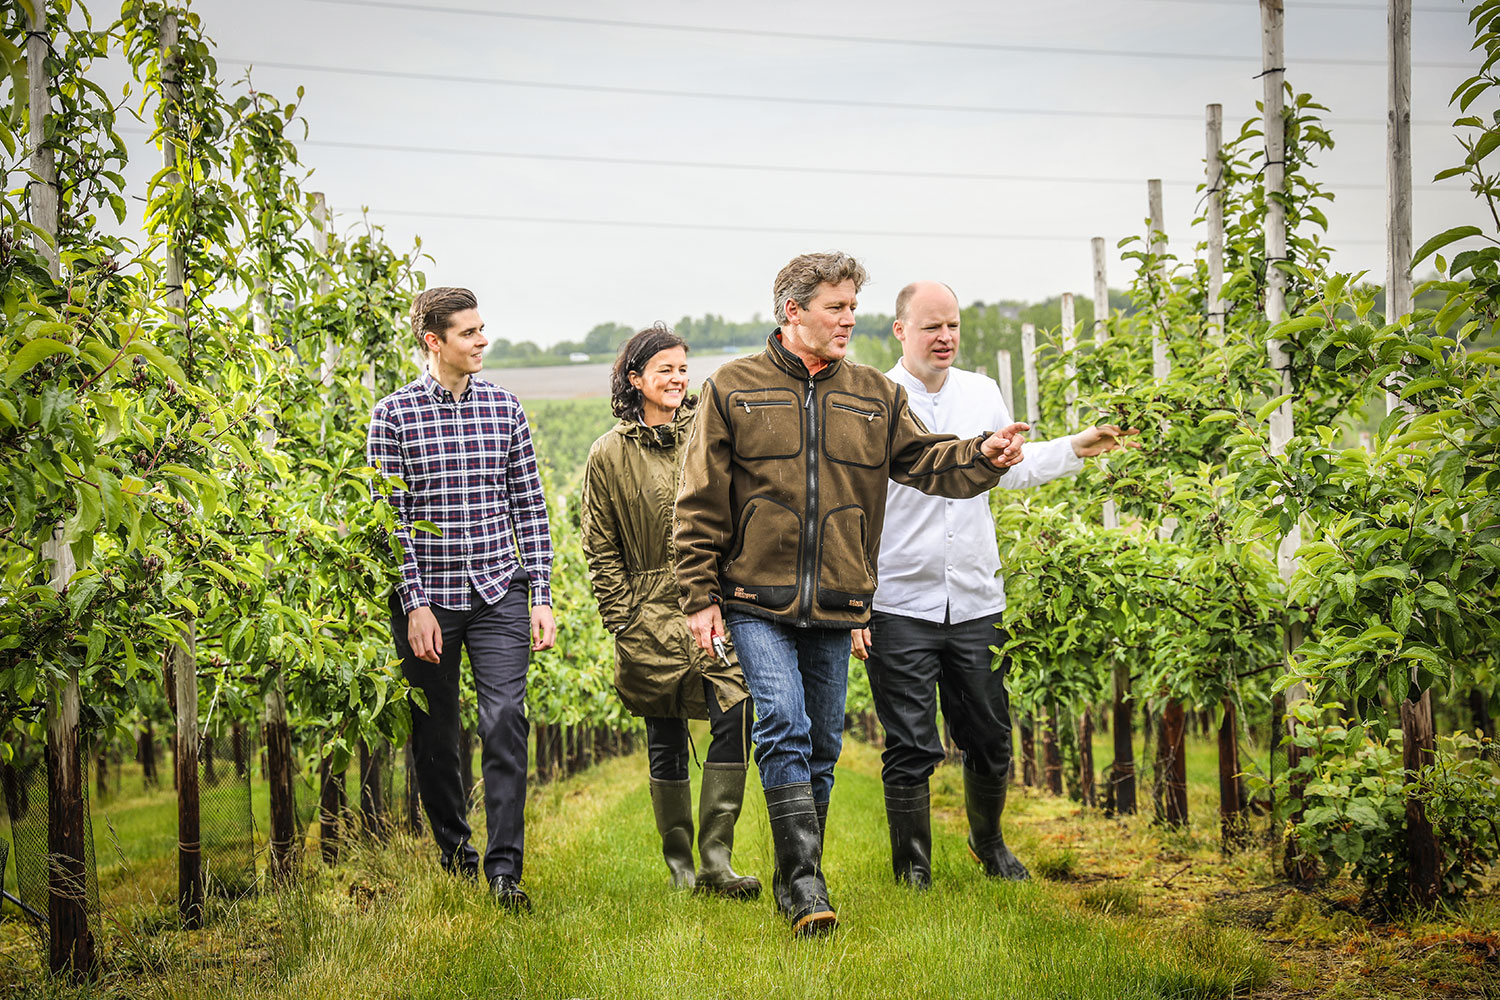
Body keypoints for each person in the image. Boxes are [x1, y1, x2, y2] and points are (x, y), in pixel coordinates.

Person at [673, 252, 1028, 937]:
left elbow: (926, 461)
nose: (848, 320)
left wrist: (981, 454)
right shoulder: (734, 389)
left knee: (824, 750)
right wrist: (699, 596)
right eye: (835, 307)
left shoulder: (872, 394)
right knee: (783, 723)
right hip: (754, 597)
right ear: (792, 311)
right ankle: (806, 887)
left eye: (852, 308)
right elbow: (699, 503)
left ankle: (796, 876)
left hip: (837, 601)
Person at [852, 280, 1136, 889]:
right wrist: (855, 602)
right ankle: (913, 869)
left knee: (989, 733)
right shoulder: (873, 400)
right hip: (899, 599)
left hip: (977, 597)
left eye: (952, 324)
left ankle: (989, 843)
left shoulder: (981, 392)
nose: (945, 336)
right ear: (900, 331)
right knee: (909, 743)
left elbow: (1009, 467)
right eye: (931, 326)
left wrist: (1076, 447)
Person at [366, 286, 556, 913]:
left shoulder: (506, 408)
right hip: (430, 598)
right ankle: (456, 853)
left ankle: (505, 872)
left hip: (500, 588)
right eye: (469, 332)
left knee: (505, 720)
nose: (481, 341)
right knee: (435, 735)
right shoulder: (392, 416)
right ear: (434, 341)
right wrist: (414, 602)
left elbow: (529, 503)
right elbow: (388, 517)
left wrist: (542, 594)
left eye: (482, 329)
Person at [580, 323, 761, 899]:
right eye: (666, 370)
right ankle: (681, 867)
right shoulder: (607, 454)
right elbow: (599, 544)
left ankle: (716, 860)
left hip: (710, 602)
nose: (679, 380)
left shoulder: (707, 433)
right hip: (646, 610)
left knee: (734, 713)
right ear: (636, 380)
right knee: (665, 731)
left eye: (684, 369)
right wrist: (624, 618)